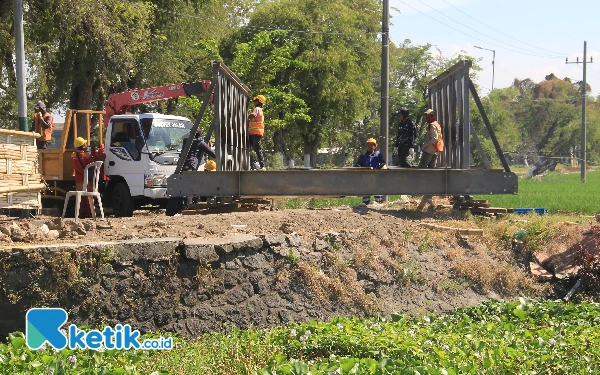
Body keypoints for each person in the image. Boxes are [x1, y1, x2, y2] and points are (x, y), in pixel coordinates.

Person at [417, 109, 444, 208]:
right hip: (435, 151)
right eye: (426, 117)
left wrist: (424, 146)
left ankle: (419, 192)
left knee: (421, 172)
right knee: (431, 174)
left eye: (428, 116)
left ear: (432, 116)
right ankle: (428, 196)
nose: (427, 118)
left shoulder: (432, 125)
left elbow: (435, 138)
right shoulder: (437, 124)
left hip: (429, 151)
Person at [354, 138, 386, 205]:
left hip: (376, 176)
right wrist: (359, 168)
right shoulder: (363, 155)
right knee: (366, 193)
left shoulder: (378, 154)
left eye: (372, 145)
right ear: (366, 146)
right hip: (366, 177)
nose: (370, 146)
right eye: (369, 145)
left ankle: (378, 202)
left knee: (377, 195)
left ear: (375, 146)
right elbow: (357, 164)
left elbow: (383, 163)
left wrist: (379, 169)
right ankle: (366, 202)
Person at [71, 137, 96, 218]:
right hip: (87, 179)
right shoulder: (87, 155)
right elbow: (92, 166)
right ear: (83, 146)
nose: (86, 145)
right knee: (88, 197)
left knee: (80, 198)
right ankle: (89, 214)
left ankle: (81, 215)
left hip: (78, 180)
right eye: (85, 144)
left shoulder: (73, 155)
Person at [248, 95, 266, 170]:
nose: (254, 102)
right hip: (254, 133)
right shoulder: (260, 110)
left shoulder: (257, 109)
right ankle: (253, 164)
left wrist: (246, 117)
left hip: (255, 132)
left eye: (255, 100)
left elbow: (252, 115)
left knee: (257, 149)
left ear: (259, 101)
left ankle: (262, 166)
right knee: (251, 148)